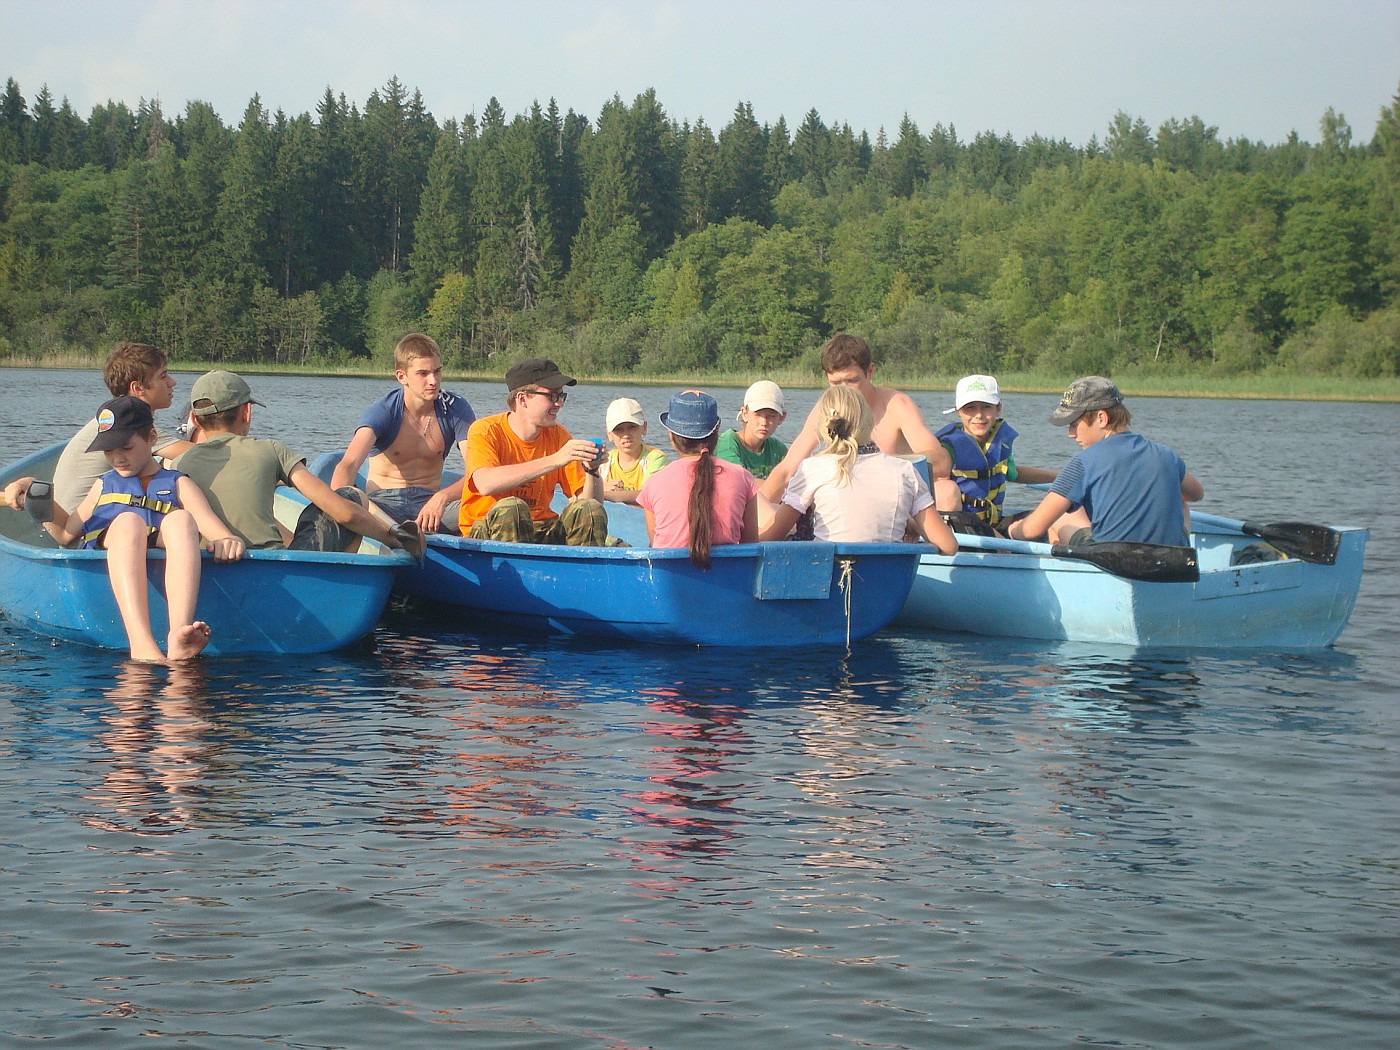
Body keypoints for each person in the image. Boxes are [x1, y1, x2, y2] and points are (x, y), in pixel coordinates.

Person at [23, 396, 245, 662]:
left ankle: (178, 634)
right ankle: (141, 643)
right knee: (129, 522)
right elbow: (66, 533)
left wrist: (228, 540)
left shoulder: (177, 483)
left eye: (126, 447)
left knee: (182, 519)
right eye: (108, 450)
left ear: (151, 438)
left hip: (159, 541)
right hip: (119, 540)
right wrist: (36, 498)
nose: (117, 458)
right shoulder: (103, 486)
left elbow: (217, 531)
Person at [173, 371, 421, 556]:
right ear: (246, 412)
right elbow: (343, 512)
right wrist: (390, 537)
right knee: (349, 496)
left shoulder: (178, 463)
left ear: (194, 418)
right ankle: (328, 591)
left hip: (209, 565)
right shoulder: (271, 449)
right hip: (275, 570)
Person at [1007, 376, 1205, 547]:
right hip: (1173, 565)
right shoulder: (1167, 455)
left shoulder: (1083, 462)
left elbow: (1033, 530)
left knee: (1062, 516)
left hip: (1113, 563)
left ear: (1101, 418)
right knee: (1181, 503)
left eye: (1074, 424)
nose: (1070, 434)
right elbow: (1196, 494)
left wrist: (1014, 530)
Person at [759, 386, 958, 553]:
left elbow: (770, 538)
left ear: (823, 427)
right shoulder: (905, 470)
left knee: (759, 500)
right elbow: (949, 546)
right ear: (869, 423)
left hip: (826, 586)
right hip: (887, 587)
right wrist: (911, 524)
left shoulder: (812, 469)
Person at [3, 341, 192, 515]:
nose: (172, 382)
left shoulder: (109, 421)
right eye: (163, 376)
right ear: (138, 388)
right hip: (85, 532)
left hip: (70, 526)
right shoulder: (131, 427)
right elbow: (201, 455)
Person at [760, 334, 952, 504]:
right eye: (835, 383)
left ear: (870, 371)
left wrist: (876, 464)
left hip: (891, 499)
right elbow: (787, 469)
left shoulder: (896, 405)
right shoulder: (825, 409)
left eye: (852, 381)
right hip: (844, 500)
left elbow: (941, 463)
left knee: (946, 491)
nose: (844, 391)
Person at [330, 333, 475, 534]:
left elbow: (477, 470)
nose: (433, 380)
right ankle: (395, 535)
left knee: (489, 505)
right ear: (402, 377)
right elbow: (349, 464)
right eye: (423, 374)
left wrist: (442, 498)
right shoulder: (383, 411)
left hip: (431, 507)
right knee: (351, 499)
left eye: (437, 371)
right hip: (382, 506)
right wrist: (339, 506)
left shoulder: (455, 409)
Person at [457, 358, 607, 544]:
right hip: (487, 530)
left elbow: (592, 502)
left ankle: (580, 571)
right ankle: (509, 573)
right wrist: (556, 459)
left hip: (541, 528)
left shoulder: (559, 435)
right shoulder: (485, 430)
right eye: (551, 396)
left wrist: (592, 471)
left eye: (561, 396)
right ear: (522, 399)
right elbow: (486, 483)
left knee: (589, 510)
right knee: (513, 509)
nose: (559, 403)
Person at [637, 390, 759, 568]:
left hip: (671, 586)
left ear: (671, 436)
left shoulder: (655, 483)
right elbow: (750, 547)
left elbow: (656, 546)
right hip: (728, 584)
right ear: (716, 432)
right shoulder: (743, 478)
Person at [934, 374, 1057, 531]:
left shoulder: (1000, 441)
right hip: (963, 527)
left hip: (995, 522)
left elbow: (1014, 473)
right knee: (945, 489)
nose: (979, 415)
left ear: (998, 408)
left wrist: (1061, 477)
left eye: (986, 407)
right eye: (970, 408)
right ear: (958, 411)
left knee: (1056, 519)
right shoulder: (947, 446)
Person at [598, 397, 668, 505]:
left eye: (632, 427)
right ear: (609, 434)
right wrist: (604, 487)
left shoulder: (656, 458)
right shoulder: (604, 462)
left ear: (644, 427)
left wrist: (603, 494)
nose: (626, 435)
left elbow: (649, 495)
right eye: (619, 429)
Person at [715, 380, 788, 480]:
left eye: (771, 416)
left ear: (781, 418)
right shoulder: (728, 443)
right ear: (744, 414)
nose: (764, 422)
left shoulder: (778, 450)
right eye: (757, 415)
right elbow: (739, 482)